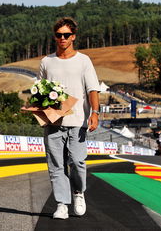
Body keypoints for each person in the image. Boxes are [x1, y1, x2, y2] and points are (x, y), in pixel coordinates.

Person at [38, 17, 100, 219]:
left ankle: (78, 192)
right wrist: (40, 112)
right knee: (55, 165)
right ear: (55, 37)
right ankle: (62, 204)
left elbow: (92, 89)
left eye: (66, 35)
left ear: (73, 37)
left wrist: (95, 113)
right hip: (53, 122)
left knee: (77, 161)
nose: (62, 38)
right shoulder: (46, 62)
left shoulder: (83, 61)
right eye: (58, 35)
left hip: (78, 122)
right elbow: (41, 92)